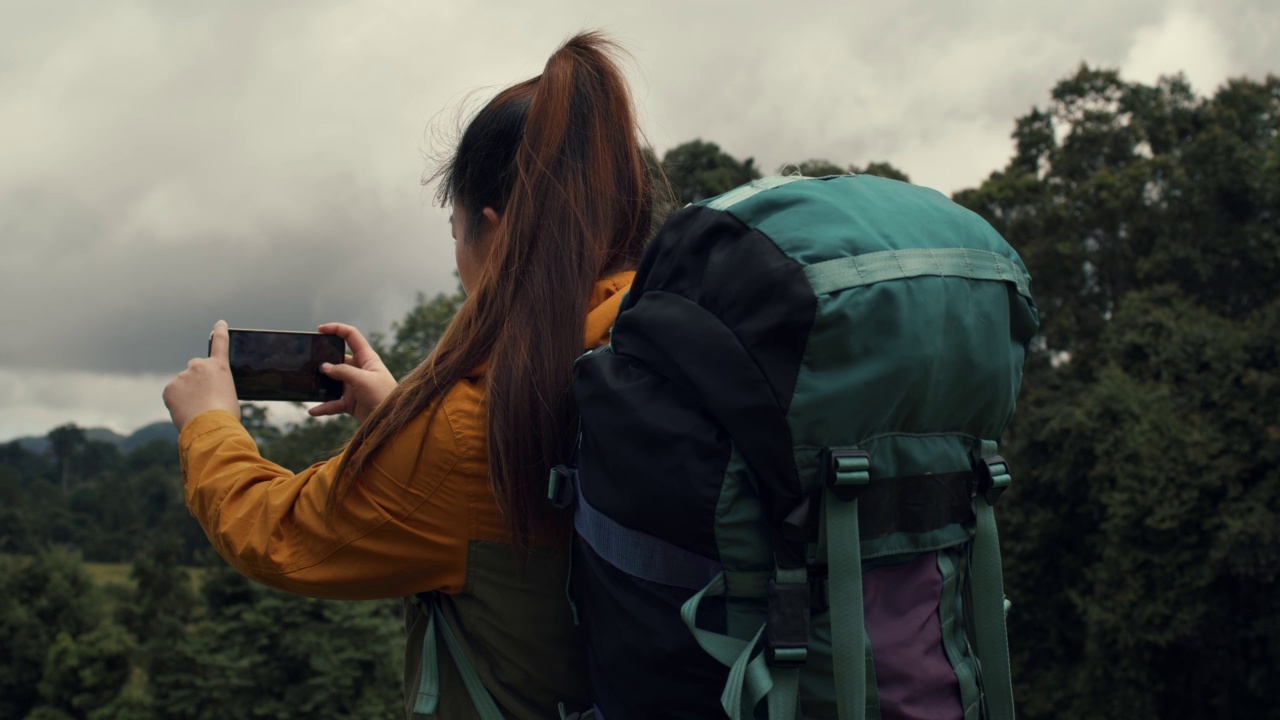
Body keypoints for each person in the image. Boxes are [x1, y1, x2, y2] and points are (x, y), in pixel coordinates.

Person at [163, 31, 661, 719]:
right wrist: (402, 417)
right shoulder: (648, 349)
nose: (457, 256)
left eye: (455, 229)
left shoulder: (463, 433)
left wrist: (210, 424)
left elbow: (277, 533)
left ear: (497, 229)